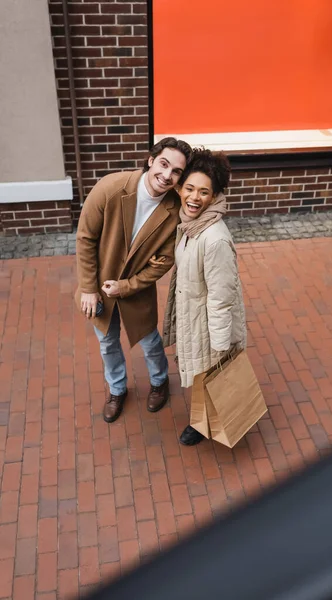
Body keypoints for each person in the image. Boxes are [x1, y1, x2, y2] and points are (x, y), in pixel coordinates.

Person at [75, 137, 192, 423]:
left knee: (150, 341)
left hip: (136, 289)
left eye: (176, 171)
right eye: (164, 164)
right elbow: (85, 238)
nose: (167, 175)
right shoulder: (111, 188)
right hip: (99, 288)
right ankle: (117, 390)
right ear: (151, 160)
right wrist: (89, 289)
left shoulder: (175, 210)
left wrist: (126, 286)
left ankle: (160, 381)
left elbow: (164, 262)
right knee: (108, 342)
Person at [160, 149, 247, 446]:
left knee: (209, 374)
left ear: (215, 195)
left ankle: (205, 424)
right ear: (180, 189)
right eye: (190, 188)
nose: (195, 197)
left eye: (204, 192)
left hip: (209, 324)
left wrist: (222, 344)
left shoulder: (214, 238)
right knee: (201, 376)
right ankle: (201, 422)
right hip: (194, 316)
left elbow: (222, 296)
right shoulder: (189, 224)